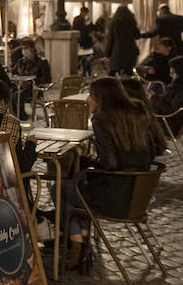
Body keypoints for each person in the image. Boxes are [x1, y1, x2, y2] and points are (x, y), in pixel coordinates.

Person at [63, 77, 165, 268]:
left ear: (101, 98)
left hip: (115, 196)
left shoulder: (101, 119)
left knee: (63, 190)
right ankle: (82, 240)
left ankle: (77, 244)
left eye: (91, 96)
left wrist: (89, 162)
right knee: (78, 190)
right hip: (138, 193)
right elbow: (151, 152)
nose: (88, 100)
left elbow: (109, 163)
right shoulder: (138, 110)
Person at [104, 5, 141, 76]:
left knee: (114, 75)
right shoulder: (132, 22)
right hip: (130, 52)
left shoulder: (114, 23)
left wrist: (107, 53)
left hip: (117, 53)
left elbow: (110, 39)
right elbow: (137, 36)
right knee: (129, 74)